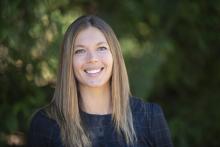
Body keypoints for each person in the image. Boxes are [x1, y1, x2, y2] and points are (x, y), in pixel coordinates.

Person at [28, 15, 173, 147]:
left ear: (114, 55)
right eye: (80, 51)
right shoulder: (46, 124)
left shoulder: (149, 117)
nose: (92, 58)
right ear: (68, 62)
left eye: (101, 48)